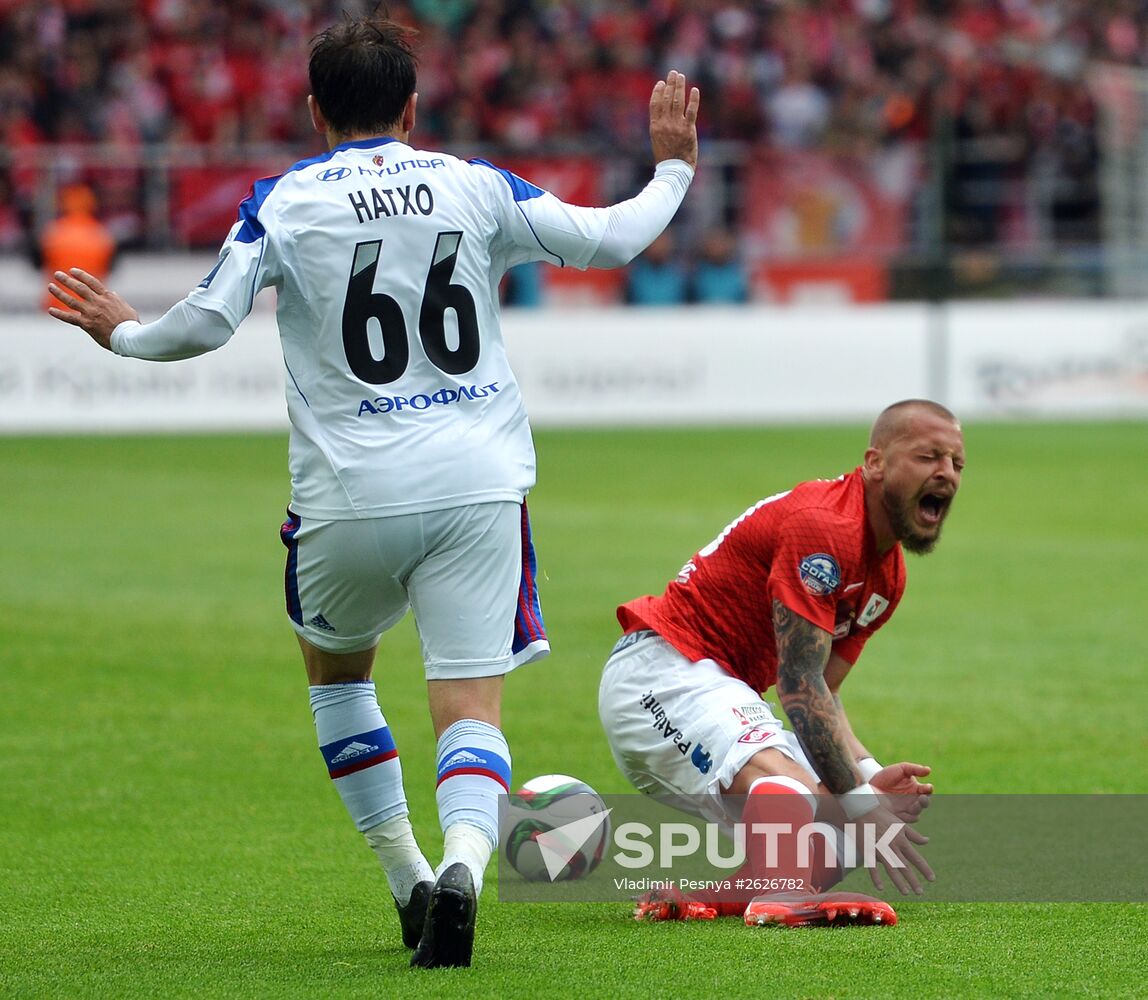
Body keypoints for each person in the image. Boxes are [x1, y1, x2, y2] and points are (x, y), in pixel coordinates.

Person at [46, 13, 700, 969]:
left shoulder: (285, 200)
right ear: (412, 107)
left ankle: (408, 877)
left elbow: (204, 324)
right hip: (478, 486)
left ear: (315, 111)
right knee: (469, 705)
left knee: (339, 676)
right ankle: (468, 867)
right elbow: (610, 241)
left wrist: (123, 333)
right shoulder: (476, 186)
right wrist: (674, 168)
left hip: (348, 493)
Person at [599, 399, 964, 926]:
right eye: (929, 456)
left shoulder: (888, 576)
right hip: (665, 671)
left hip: (716, 694)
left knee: (848, 833)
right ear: (875, 461)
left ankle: (714, 898)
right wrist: (860, 800)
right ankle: (786, 898)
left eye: (956, 463)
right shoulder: (825, 527)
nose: (946, 474)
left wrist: (867, 776)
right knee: (810, 793)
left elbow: (825, 693)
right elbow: (796, 683)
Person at [36, 183, 116, 313]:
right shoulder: (102, 235)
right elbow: (110, 268)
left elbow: (38, 264)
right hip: (92, 309)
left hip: (56, 305)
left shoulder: (52, 233)